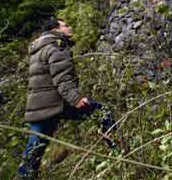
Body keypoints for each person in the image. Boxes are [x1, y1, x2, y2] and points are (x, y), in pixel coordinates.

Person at [17, 17, 117, 179]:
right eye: (66, 25)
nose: (69, 28)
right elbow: (61, 77)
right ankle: (116, 150)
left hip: (41, 106)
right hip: (53, 105)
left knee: (34, 151)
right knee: (102, 112)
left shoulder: (40, 47)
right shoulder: (56, 46)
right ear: (56, 29)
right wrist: (75, 98)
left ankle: (26, 176)